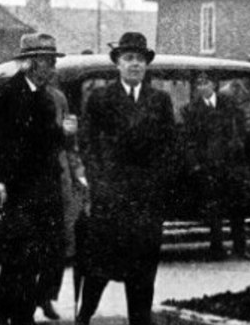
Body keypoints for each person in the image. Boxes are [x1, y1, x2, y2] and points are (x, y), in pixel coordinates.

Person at [76, 32, 182, 325]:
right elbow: (87, 143)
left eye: (140, 60)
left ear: (146, 65)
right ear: (118, 64)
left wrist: (158, 183)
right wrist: (99, 183)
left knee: (143, 272)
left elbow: (169, 146)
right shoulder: (100, 98)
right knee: (99, 268)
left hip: (146, 202)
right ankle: (84, 316)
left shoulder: (159, 100)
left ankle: (140, 320)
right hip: (111, 199)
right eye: (129, 59)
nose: (135, 65)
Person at [0, 32, 67, 325]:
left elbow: (47, 144)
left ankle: (8, 314)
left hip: (44, 193)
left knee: (34, 260)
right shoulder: (3, 93)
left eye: (53, 61)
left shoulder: (45, 99)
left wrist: (63, 133)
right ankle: (7, 314)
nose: (52, 68)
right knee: (20, 259)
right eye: (47, 61)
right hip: (14, 192)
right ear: (29, 63)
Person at [181, 73, 250, 261]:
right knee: (214, 210)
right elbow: (189, 141)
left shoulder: (229, 104)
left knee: (237, 209)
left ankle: (240, 247)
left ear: (214, 84)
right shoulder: (191, 110)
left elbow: (240, 126)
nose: (202, 87)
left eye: (206, 83)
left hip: (231, 164)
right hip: (208, 167)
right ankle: (217, 248)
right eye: (199, 84)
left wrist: (237, 148)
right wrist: (195, 165)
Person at [34, 86, 85, 322]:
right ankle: (11, 305)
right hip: (33, 180)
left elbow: (70, 141)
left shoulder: (59, 98)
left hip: (60, 177)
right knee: (30, 246)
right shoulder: (19, 95)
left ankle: (45, 295)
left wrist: (77, 172)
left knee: (62, 241)